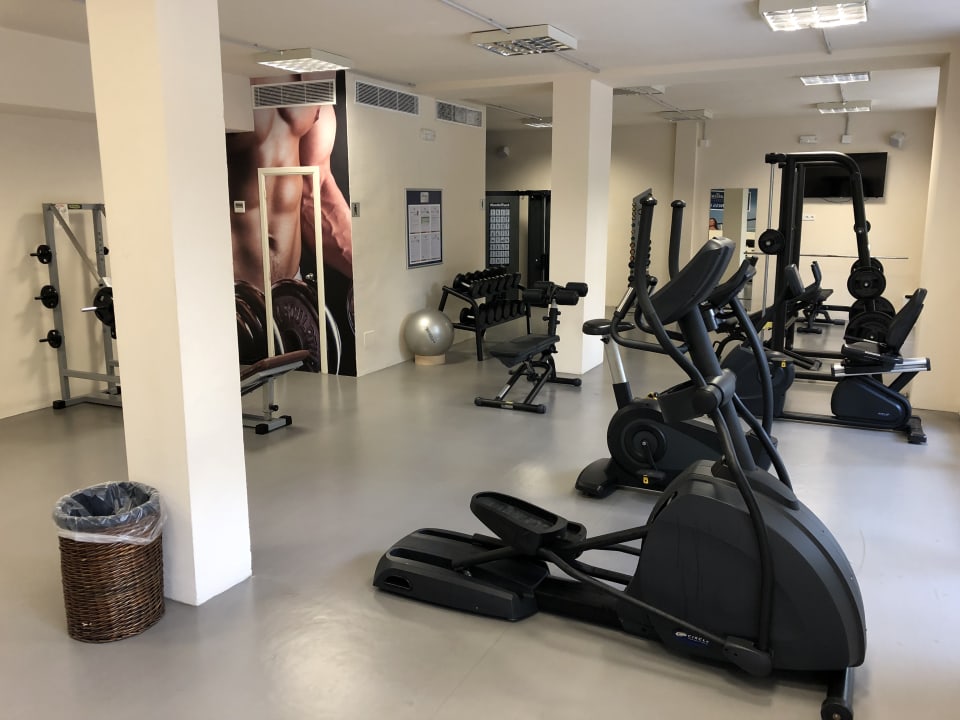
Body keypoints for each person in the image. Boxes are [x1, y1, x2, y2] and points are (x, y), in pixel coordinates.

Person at [227, 103, 352, 289]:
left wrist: (372, 274)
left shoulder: (315, 89)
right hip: (228, 291)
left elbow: (316, 190)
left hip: (291, 289)